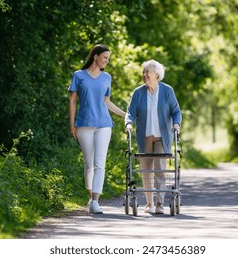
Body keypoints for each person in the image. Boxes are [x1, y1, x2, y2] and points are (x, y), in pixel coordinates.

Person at [68, 44, 125, 214]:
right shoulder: (78, 76)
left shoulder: (106, 77)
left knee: (100, 164)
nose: (107, 61)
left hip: (104, 124)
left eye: (108, 58)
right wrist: (72, 124)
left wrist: (125, 114)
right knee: (89, 164)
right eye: (105, 58)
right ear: (95, 56)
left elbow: (107, 102)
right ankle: (90, 195)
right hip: (84, 124)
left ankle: (95, 201)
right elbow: (72, 100)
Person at [125, 59, 181, 214]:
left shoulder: (167, 91)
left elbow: (176, 111)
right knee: (145, 170)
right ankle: (149, 204)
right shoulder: (138, 92)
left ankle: (160, 204)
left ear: (156, 74)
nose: (144, 75)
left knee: (160, 169)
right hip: (145, 136)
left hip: (162, 136)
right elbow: (130, 112)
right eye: (143, 72)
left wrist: (176, 124)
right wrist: (128, 123)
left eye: (147, 72)